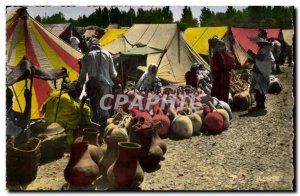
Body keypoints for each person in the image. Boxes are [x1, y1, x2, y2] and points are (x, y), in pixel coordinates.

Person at [77, 38, 117, 126]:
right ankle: (102, 132)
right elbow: (113, 74)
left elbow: (83, 75)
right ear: (99, 45)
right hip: (106, 86)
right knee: (104, 110)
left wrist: (79, 84)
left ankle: (94, 127)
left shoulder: (87, 56)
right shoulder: (108, 54)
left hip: (93, 86)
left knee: (93, 106)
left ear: (90, 46)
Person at [248, 38, 274, 109]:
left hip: (261, 73)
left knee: (260, 89)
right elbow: (258, 60)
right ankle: (259, 104)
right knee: (258, 89)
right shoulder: (263, 50)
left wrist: (252, 54)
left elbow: (260, 59)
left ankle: (261, 104)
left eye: (259, 43)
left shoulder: (265, 50)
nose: (258, 44)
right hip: (259, 72)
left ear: (263, 44)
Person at [210, 37, 235, 102]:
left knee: (218, 91)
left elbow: (217, 66)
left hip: (219, 76)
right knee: (224, 91)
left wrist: (214, 71)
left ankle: (220, 105)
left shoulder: (218, 55)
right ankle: (224, 104)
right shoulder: (226, 53)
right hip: (225, 75)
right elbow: (231, 61)